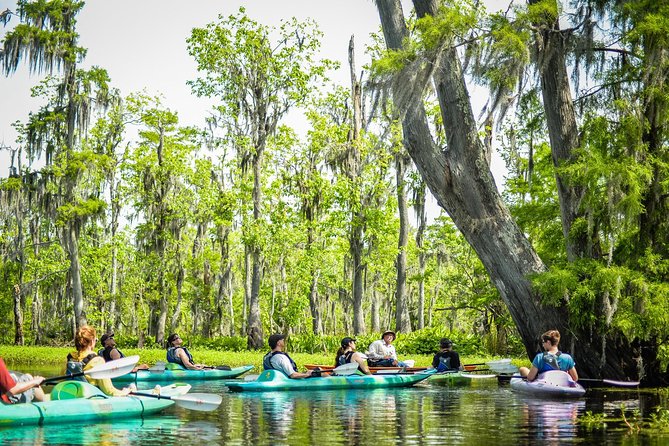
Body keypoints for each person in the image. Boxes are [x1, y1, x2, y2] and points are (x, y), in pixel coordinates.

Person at [66, 325, 134, 396]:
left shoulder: (70, 358)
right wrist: (124, 392)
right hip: (90, 398)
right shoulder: (97, 361)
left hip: (72, 395)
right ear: (92, 341)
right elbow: (109, 391)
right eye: (96, 340)